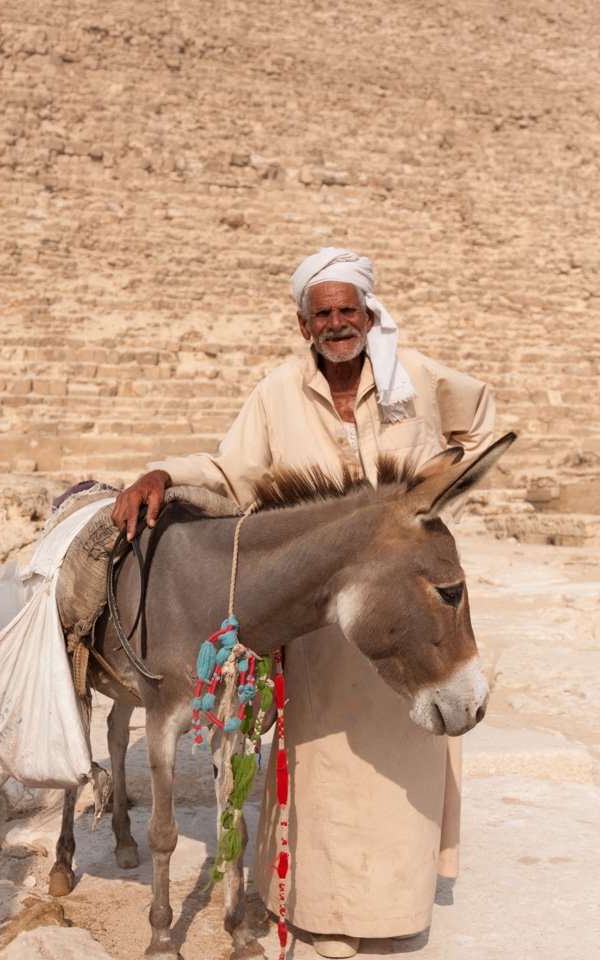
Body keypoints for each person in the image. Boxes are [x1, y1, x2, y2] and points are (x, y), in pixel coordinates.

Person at [112, 248, 496, 959]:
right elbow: (232, 472)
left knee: (402, 761)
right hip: (323, 619)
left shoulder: (414, 375)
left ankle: (392, 910)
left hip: (404, 617)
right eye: (322, 313)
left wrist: (437, 506)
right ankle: (316, 911)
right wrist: (163, 473)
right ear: (302, 323)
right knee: (317, 768)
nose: (337, 323)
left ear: (370, 312)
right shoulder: (278, 392)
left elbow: (480, 422)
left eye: (349, 309)